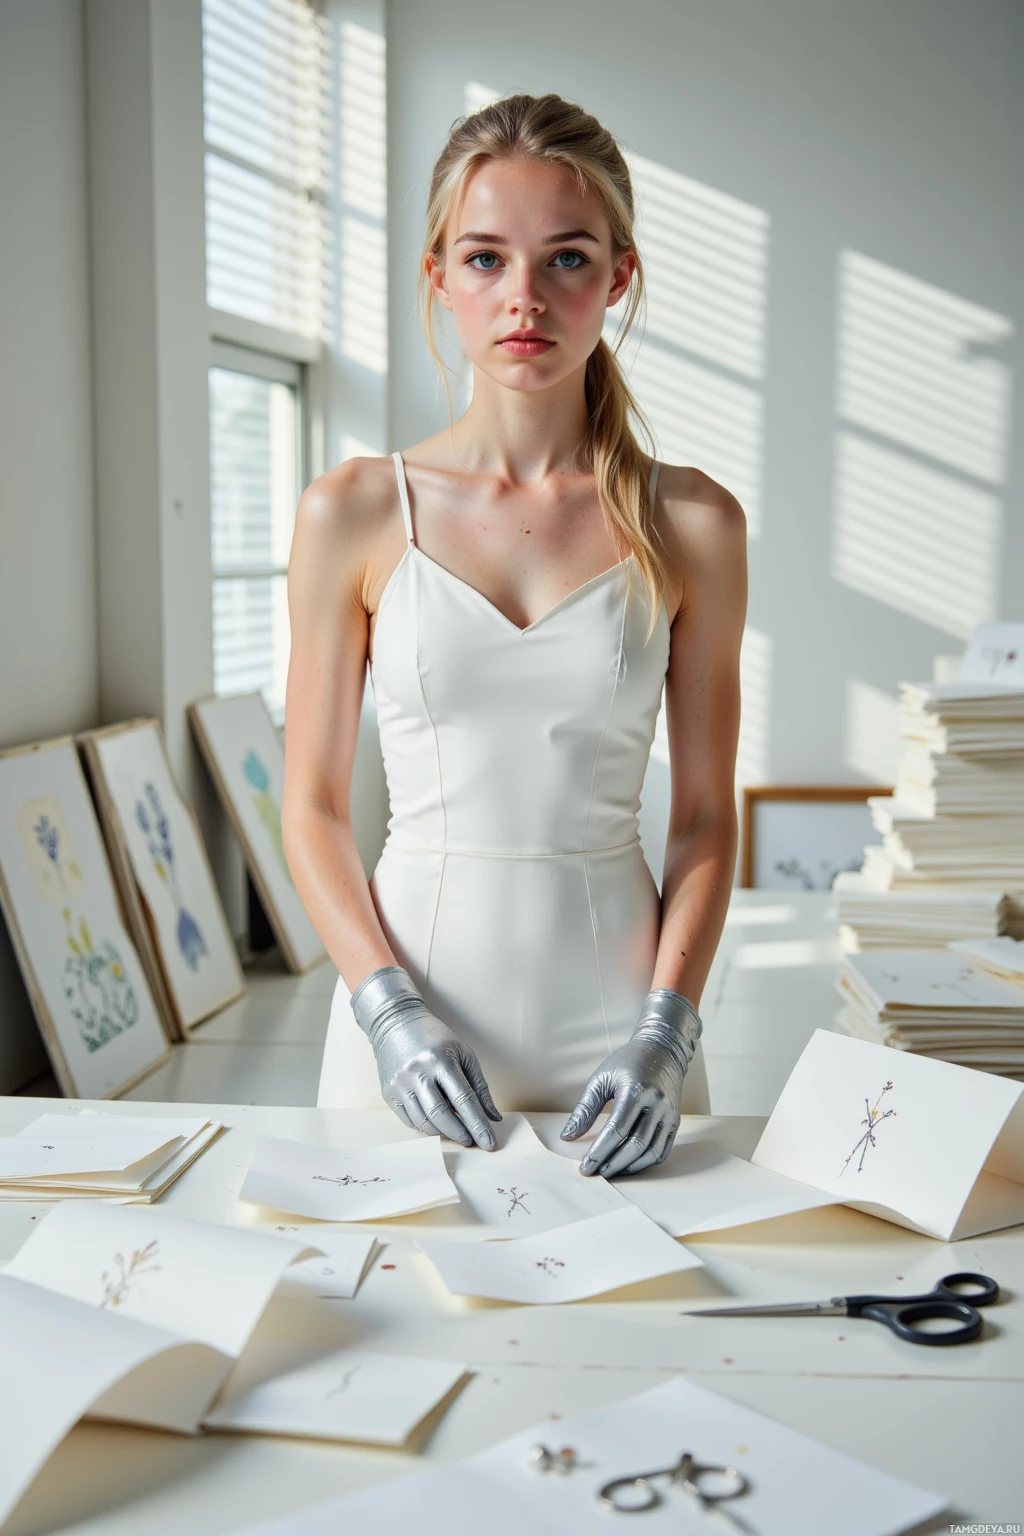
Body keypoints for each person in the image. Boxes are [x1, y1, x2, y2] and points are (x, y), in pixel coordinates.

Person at [281, 92, 747, 1179]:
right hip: (405, 1020)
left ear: (618, 276)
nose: (524, 297)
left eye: (568, 258)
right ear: (439, 274)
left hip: (623, 1029)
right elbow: (307, 806)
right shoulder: (350, 510)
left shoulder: (693, 525)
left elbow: (704, 821)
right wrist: (387, 1012)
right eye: (486, 259)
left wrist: (666, 1033)